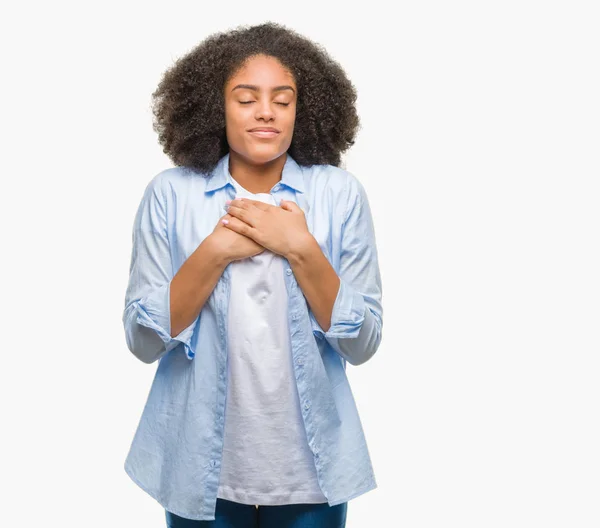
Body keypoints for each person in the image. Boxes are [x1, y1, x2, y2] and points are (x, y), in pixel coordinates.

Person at [122, 21, 384, 527]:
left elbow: (364, 342)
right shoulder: (170, 195)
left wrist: (302, 248)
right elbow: (142, 340)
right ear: (214, 107)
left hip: (311, 467)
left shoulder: (339, 195)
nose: (266, 111)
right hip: (197, 463)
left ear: (302, 111)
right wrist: (214, 251)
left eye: (282, 100)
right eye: (246, 98)